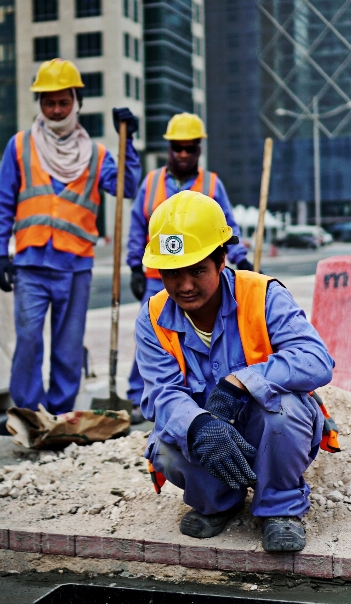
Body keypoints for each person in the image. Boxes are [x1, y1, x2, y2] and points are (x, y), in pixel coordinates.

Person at [135, 191, 334, 552]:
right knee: (165, 446)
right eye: (172, 273)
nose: (184, 286)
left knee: (284, 414)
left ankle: (280, 508)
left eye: (197, 270)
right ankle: (218, 502)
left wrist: (242, 381)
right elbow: (160, 394)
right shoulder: (153, 317)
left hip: (267, 424)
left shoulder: (262, 294)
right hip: (207, 422)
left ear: (222, 259)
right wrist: (198, 425)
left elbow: (316, 360)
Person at [0, 58, 141, 415]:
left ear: (77, 103)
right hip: (31, 263)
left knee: (68, 347)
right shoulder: (21, 145)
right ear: (39, 104)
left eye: (63, 102)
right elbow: (3, 202)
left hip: (76, 265)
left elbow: (127, 187)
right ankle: (28, 413)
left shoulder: (97, 154)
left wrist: (127, 142)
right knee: (27, 342)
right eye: (48, 102)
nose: (56, 110)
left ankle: (59, 414)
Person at [126, 112, 253, 421]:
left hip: (199, 274)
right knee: (155, 334)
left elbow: (227, 227)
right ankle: (142, 395)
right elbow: (137, 223)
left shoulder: (211, 183)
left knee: (203, 337)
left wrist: (242, 257)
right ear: (169, 148)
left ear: (198, 149)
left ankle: (200, 395)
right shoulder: (152, 181)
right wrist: (134, 265)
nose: (183, 154)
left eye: (189, 148)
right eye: (177, 148)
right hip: (161, 276)